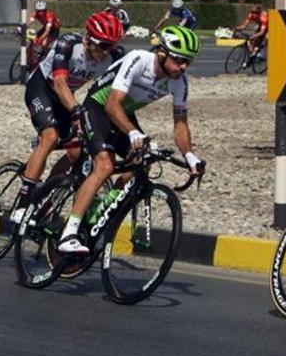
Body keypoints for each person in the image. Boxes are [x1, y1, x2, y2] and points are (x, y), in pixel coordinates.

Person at [60, 25, 205, 253]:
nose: (184, 66)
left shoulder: (180, 81)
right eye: (179, 60)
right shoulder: (139, 59)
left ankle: (103, 214)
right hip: (98, 106)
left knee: (141, 163)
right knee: (105, 165)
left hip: (122, 114)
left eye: (188, 61)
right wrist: (133, 132)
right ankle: (69, 232)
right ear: (162, 53)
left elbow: (180, 123)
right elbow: (112, 104)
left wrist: (189, 155)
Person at [12, 12, 126, 223]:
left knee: (76, 152)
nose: (104, 52)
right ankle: (23, 201)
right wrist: (76, 110)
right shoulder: (68, 44)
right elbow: (60, 83)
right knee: (51, 136)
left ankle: (45, 196)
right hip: (42, 88)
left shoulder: (114, 56)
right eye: (101, 45)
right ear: (87, 38)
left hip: (65, 98)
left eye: (110, 46)